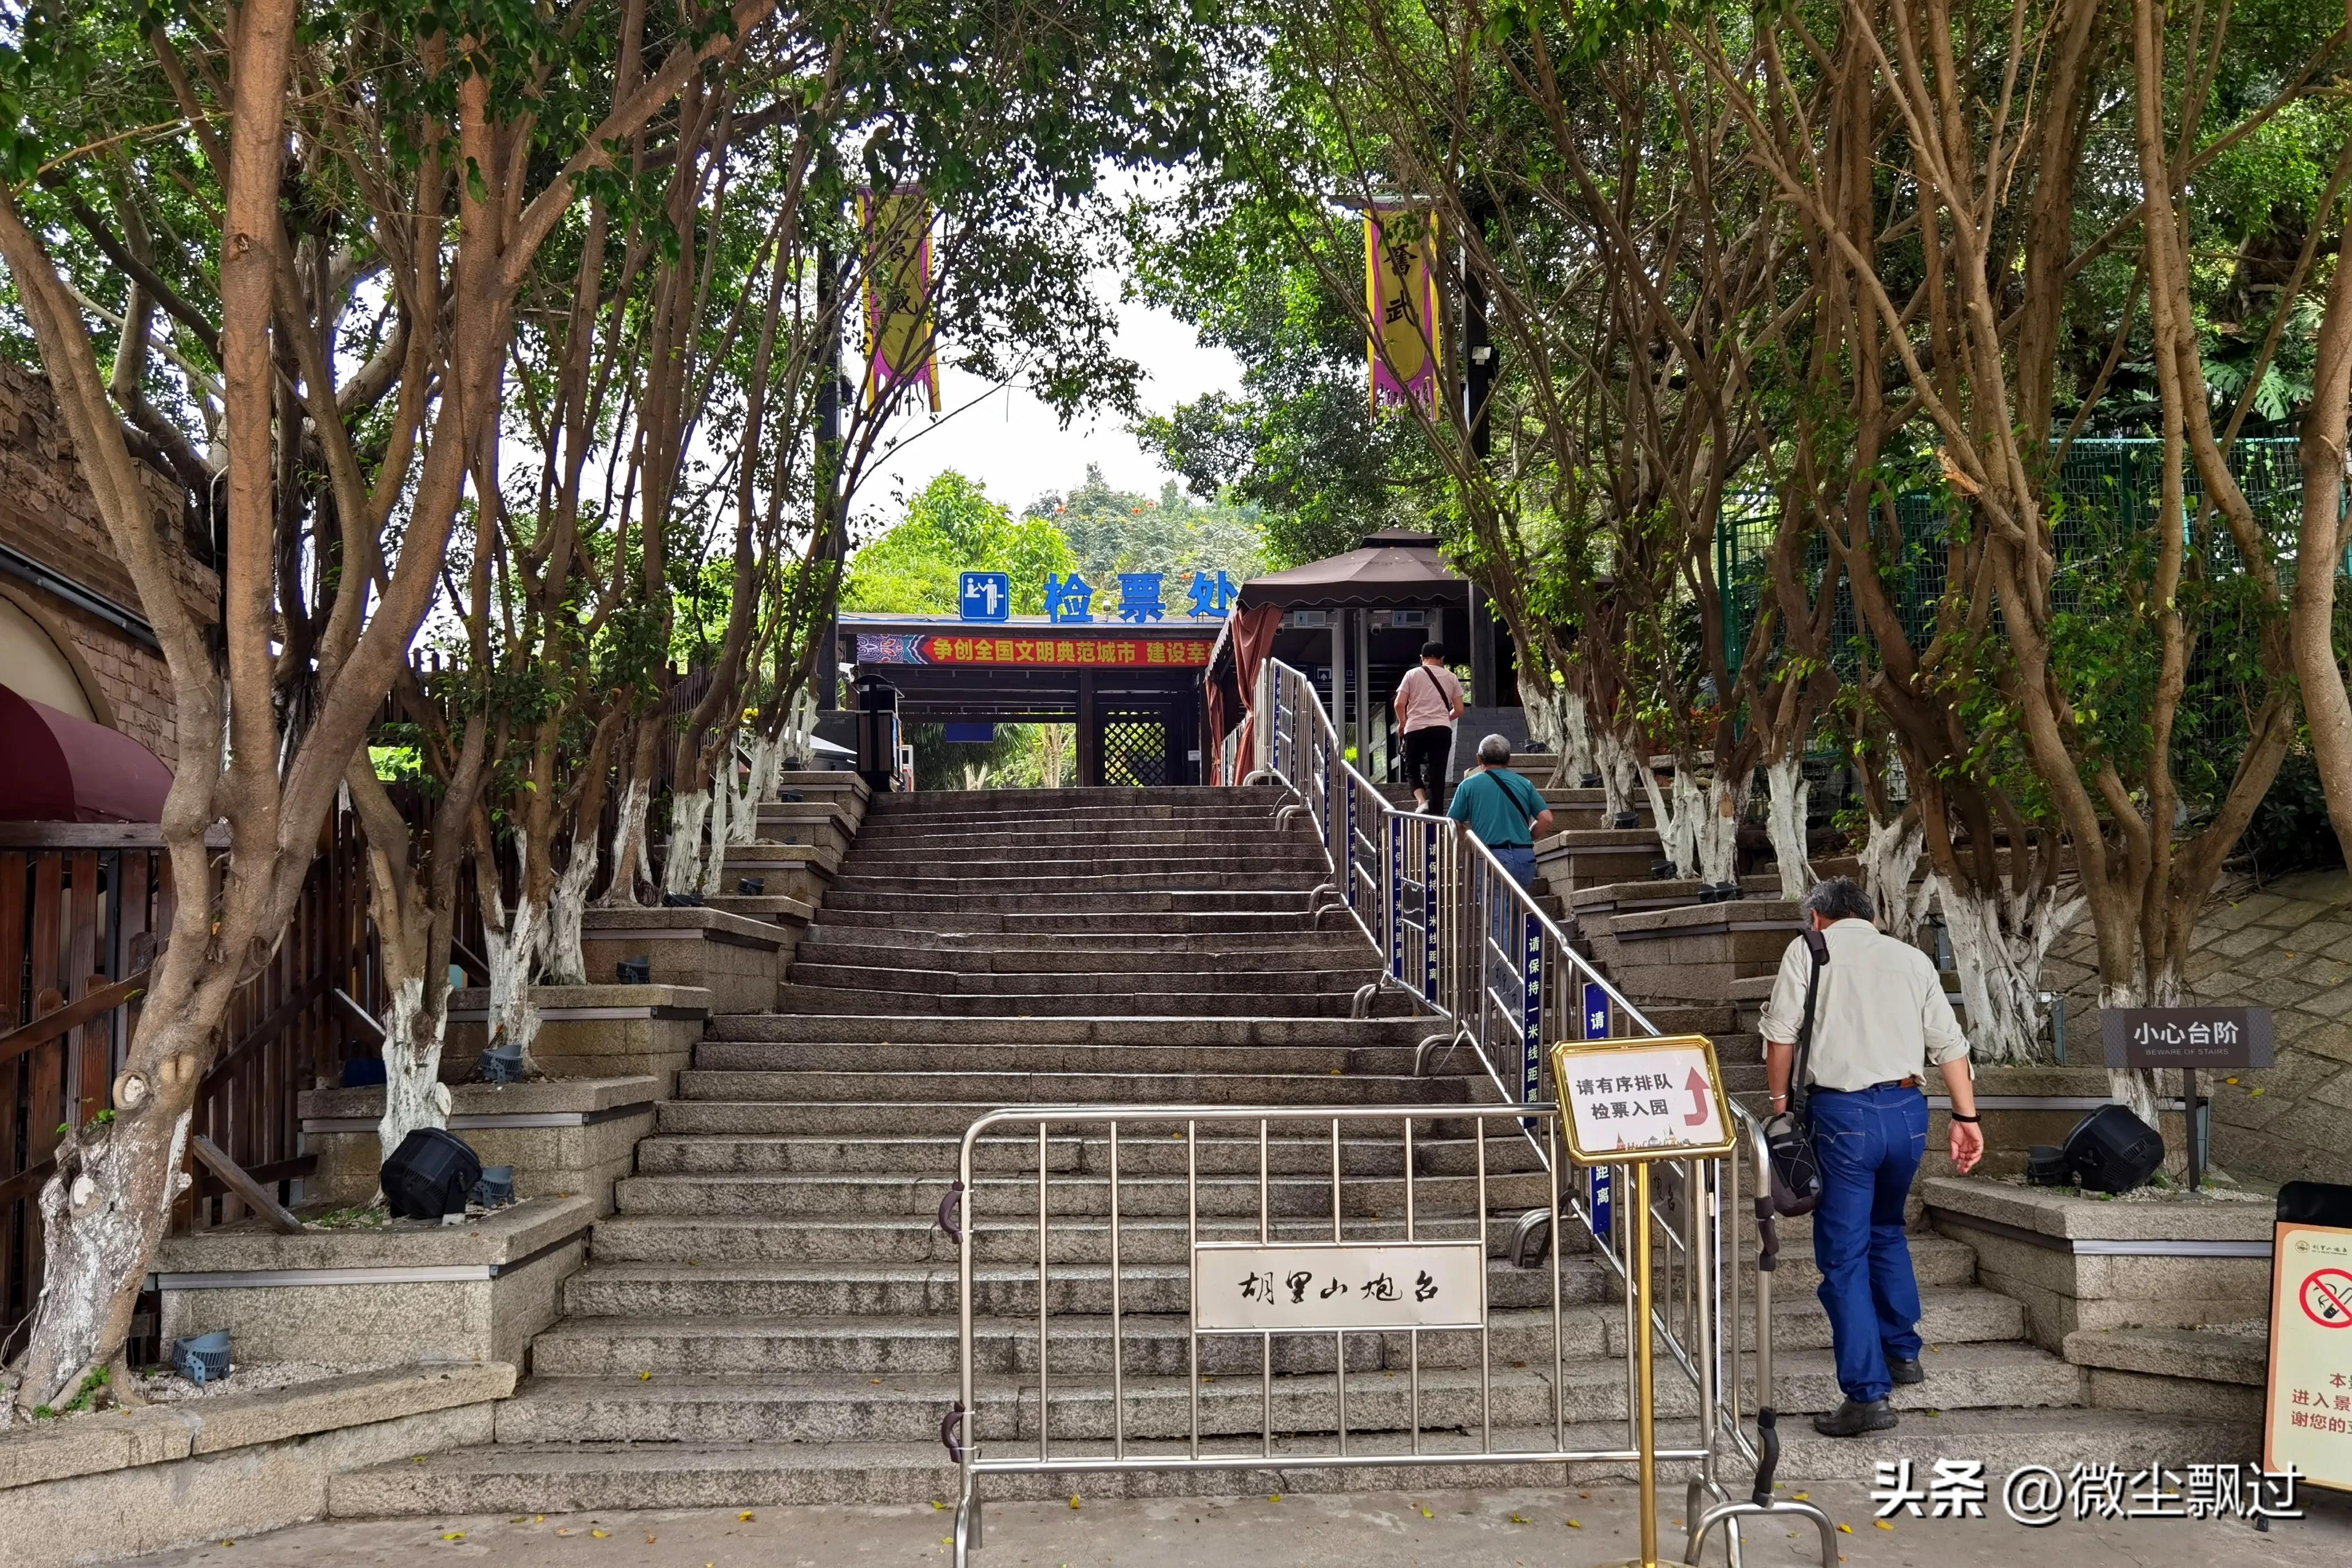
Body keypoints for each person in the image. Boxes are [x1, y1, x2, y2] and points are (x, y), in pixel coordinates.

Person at [1760, 877, 1983, 1438]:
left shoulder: (1808, 951)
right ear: (1868, 916)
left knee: (1843, 1257)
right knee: (1886, 1230)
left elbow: (1780, 1036)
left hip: (1844, 1119)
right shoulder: (1910, 958)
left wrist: (1781, 1106)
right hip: (1908, 1113)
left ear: (1817, 918)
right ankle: (1902, 1352)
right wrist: (1967, 1119)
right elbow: (1950, 1045)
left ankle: (1865, 1394)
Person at [1445, 734, 1553, 889]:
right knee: (1521, 910)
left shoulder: (1468, 786)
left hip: (1490, 855)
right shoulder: (1525, 784)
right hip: (1523, 856)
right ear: (1508, 760)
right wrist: (1526, 837)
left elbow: (1453, 824)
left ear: (1479, 759)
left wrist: (1472, 840)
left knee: (1495, 911)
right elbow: (1546, 819)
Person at [1392, 641, 1465, 811]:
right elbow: (1460, 709)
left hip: (1415, 728)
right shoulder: (1451, 677)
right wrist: (1444, 718)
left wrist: (1403, 722)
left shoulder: (1412, 674)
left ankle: (1421, 801)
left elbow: (1399, 704)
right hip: (1441, 730)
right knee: (1438, 774)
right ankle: (1437, 816)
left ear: (1422, 658)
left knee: (1412, 768)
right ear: (1442, 659)